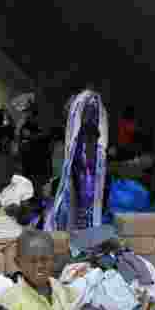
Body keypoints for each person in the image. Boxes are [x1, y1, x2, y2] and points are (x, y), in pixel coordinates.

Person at [46, 88, 108, 232]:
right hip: (77, 173)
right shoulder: (70, 141)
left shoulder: (92, 134)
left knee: (87, 208)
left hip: (88, 173)